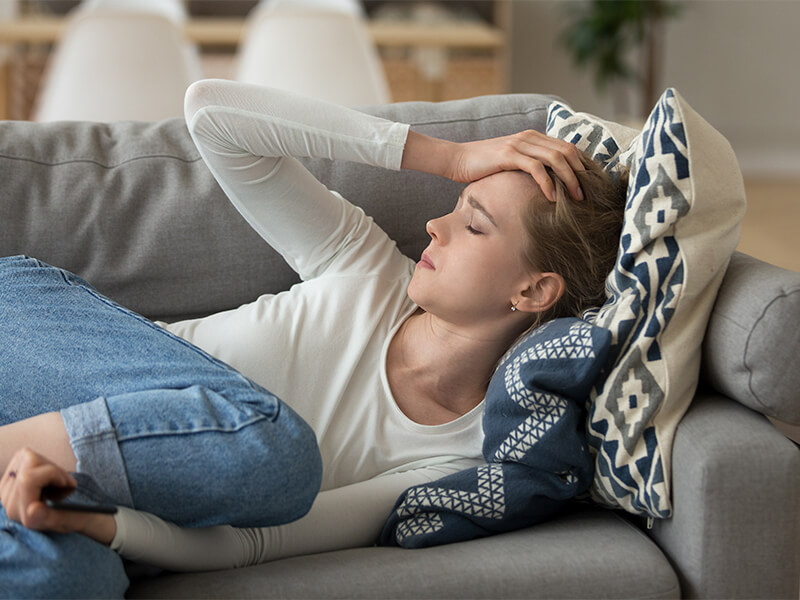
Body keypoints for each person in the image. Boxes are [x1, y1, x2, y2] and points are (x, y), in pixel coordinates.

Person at [0, 79, 627, 596]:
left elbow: (252, 541)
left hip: (67, 470)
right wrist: (451, 158)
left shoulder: (456, 459)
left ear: (534, 293)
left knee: (69, 579)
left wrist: (103, 528)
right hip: (35, 336)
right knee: (279, 450)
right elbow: (213, 114)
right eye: (455, 205)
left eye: (475, 226)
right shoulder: (365, 266)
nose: (436, 224)